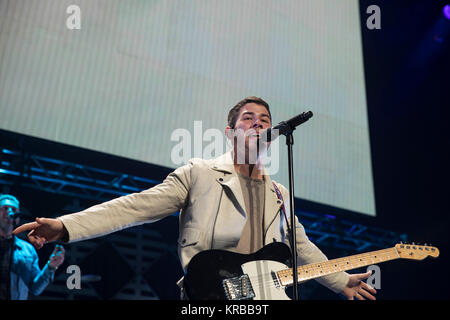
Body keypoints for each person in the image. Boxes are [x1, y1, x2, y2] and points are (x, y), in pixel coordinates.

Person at [13, 97, 376, 300]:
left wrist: (341, 280)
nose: (259, 124)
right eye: (248, 118)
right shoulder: (199, 173)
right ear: (230, 132)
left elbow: (302, 247)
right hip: (211, 295)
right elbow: (136, 207)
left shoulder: (279, 194)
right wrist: (64, 226)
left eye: (265, 120)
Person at [0, 194, 65, 300]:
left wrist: (51, 267)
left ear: (17, 219)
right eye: (5, 208)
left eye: (14, 209)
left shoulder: (28, 251)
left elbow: (35, 288)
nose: (10, 212)